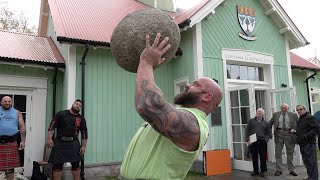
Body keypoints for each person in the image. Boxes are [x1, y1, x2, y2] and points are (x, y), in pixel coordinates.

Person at [120, 33, 223, 179]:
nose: (188, 85)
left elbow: (148, 104)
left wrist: (147, 60)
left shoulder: (195, 125)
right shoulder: (181, 115)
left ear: (207, 97)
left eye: (195, 84)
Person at [47, 99, 88, 180]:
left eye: (80, 105)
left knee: (76, 165)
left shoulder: (81, 119)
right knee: (57, 166)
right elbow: (51, 127)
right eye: (76, 104)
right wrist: (49, 139)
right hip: (59, 142)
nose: (78, 106)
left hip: (74, 143)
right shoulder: (61, 114)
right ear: (72, 104)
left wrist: (83, 146)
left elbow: (84, 134)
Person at [269, 103, 298, 176]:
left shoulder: (293, 115)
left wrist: (295, 130)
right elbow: (270, 123)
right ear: (280, 108)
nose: (284, 110)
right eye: (282, 108)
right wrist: (269, 133)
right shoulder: (275, 114)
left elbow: (298, 124)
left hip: (289, 134)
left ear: (288, 108)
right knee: (278, 153)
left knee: (290, 152)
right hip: (279, 134)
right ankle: (279, 169)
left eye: (285, 108)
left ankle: (291, 170)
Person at [0, 96, 26, 180]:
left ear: (11, 102)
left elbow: (22, 127)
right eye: (5, 101)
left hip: (11, 142)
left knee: (10, 168)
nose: (7, 103)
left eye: (9, 101)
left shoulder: (17, 112)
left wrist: (23, 141)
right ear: (1, 102)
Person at [296, 105, 319, 180]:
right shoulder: (301, 118)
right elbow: (303, 129)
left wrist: (306, 136)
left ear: (305, 109)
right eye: (297, 110)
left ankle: (314, 178)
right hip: (302, 143)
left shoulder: (309, 117)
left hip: (309, 143)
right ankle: (310, 177)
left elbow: (317, 128)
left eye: (300, 109)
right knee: (306, 162)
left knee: (311, 162)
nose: (299, 111)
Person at [246, 108, 271, 178]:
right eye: (258, 112)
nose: (259, 113)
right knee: (254, 157)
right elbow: (247, 131)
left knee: (263, 157)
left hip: (262, 141)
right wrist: (247, 140)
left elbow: (269, 133)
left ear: (263, 114)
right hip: (253, 141)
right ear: (256, 113)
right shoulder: (251, 121)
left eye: (261, 112)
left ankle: (263, 171)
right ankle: (255, 171)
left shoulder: (266, 123)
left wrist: (266, 140)